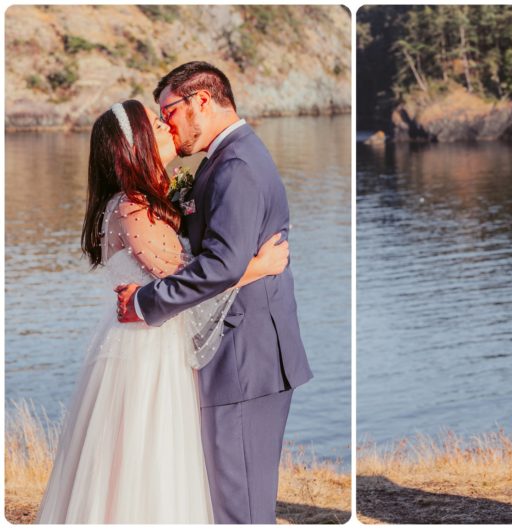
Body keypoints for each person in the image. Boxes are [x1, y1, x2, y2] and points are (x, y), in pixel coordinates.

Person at [37, 100, 288, 523]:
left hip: (154, 342)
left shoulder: (144, 200)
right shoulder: (132, 207)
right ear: (135, 146)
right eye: (156, 124)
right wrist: (258, 267)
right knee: (146, 459)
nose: (167, 126)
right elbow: (188, 279)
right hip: (145, 353)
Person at [115, 61, 313, 523]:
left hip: (245, 359)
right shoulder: (226, 158)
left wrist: (144, 303)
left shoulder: (237, 165)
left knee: (237, 508)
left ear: (200, 101)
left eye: (169, 111)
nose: (165, 124)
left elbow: (221, 265)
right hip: (241, 356)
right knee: (229, 501)